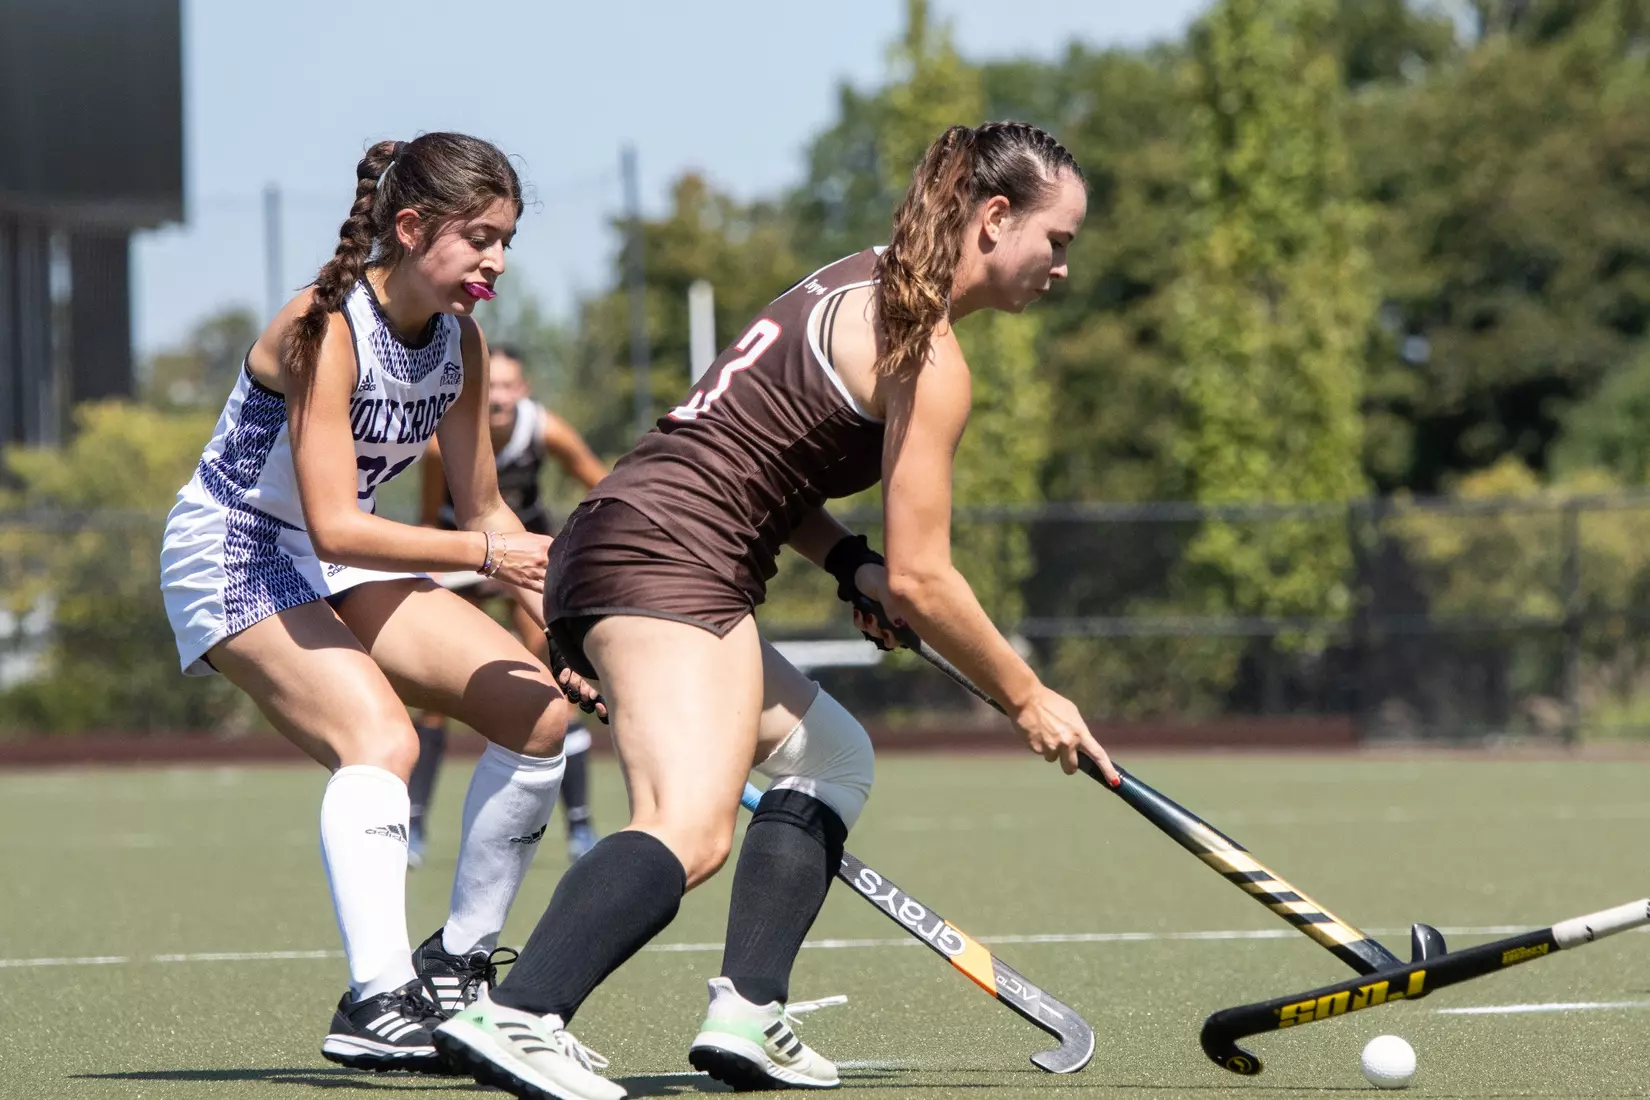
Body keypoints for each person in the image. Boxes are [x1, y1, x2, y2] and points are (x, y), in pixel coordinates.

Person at [433, 121, 1120, 1100]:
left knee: (828, 756)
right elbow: (930, 580)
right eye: (1058, 240)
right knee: (690, 824)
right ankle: (522, 1010)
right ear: (996, 218)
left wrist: (849, 562)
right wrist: (1027, 695)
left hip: (624, 536)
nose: (1062, 267)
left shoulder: (853, 279)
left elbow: (767, 466)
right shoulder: (928, 353)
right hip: (674, 560)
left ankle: (749, 1009)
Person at [159, 132, 598, 1073]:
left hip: (332, 552)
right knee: (384, 741)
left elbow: (487, 509)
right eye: (480, 236)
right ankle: (377, 998)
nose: (498, 260)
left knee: (538, 711)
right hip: (235, 544)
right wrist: (489, 553)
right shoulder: (326, 325)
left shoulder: (462, 344)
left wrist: (565, 628)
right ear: (411, 225)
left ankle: (457, 969)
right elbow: (337, 526)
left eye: (506, 239)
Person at [409, 345, 608, 866]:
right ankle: (414, 824)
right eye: (488, 385)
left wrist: (583, 550)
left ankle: (580, 825)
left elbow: (604, 490)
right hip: (466, 557)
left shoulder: (546, 431)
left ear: (523, 391)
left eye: (506, 386)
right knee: (433, 688)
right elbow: (430, 519)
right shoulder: (440, 443)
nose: (496, 395)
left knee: (555, 676)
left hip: (526, 554)